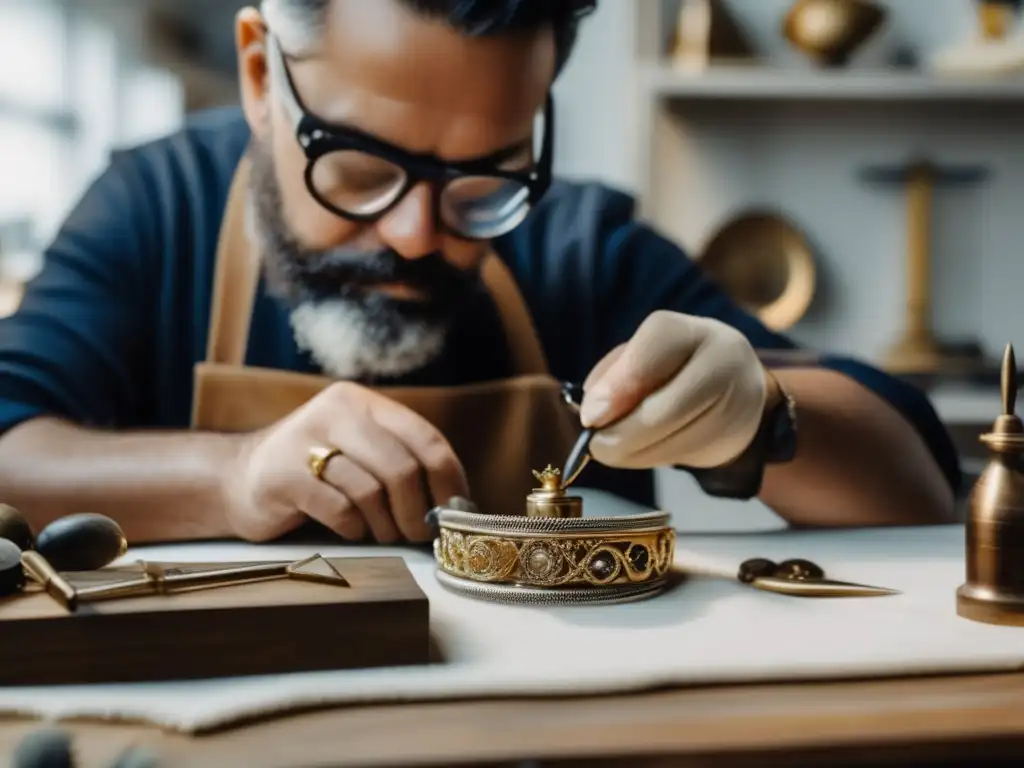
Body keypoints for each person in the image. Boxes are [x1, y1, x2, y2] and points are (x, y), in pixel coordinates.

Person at [0, 0, 959, 546]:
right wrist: (236, 474)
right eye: (365, 168)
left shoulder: (578, 248)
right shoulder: (156, 207)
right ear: (261, 76)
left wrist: (762, 417)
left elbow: (917, 490)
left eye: (484, 179)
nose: (419, 235)